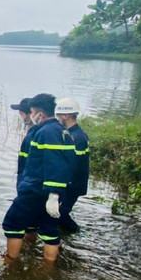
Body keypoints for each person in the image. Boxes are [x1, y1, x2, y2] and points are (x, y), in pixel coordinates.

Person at [1, 93, 76, 262]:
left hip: (36, 190)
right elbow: (68, 164)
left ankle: (10, 261)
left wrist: (53, 194)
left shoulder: (47, 133)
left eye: (32, 111)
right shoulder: (61, 130)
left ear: (40, 114)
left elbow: (55, 163)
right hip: (47, 190)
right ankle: (49, 268)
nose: (31, 115)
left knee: (12, 223)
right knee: (48, 227)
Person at [55, 97, 90, 232]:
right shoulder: (74, 134)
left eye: (58, 116)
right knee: (59, 214)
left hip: (72, 185)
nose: (57, 119)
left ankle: (77, 234)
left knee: (60, 215)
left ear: (66, 115)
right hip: (73, 184)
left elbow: (73, 165)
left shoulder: (77, 138)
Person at [10, 98, 38, 185]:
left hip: (28, 183)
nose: (20, 115)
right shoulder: (33, 131)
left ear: (30, 114)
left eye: (21, 113)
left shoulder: (35, 134)